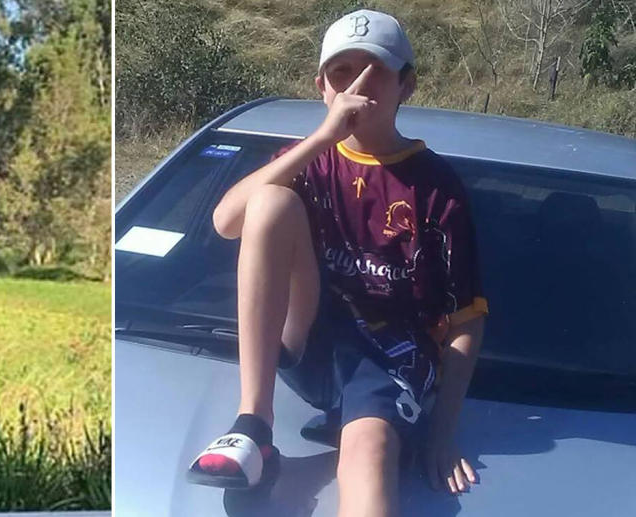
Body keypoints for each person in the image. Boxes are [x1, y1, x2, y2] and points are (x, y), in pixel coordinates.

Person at [187, 9, 488, 515]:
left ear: (406, 86)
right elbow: (226, 222)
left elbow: (467, 320)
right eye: (341, 72)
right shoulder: (311, 159)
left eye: (375, 72)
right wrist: (323, 137)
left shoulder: (438, 189)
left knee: (367, 459)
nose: (357, 88)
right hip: (310, 336)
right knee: (270, 201)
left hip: (390, 359)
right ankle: (254, 426)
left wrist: (442, 434)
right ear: (321, 87)